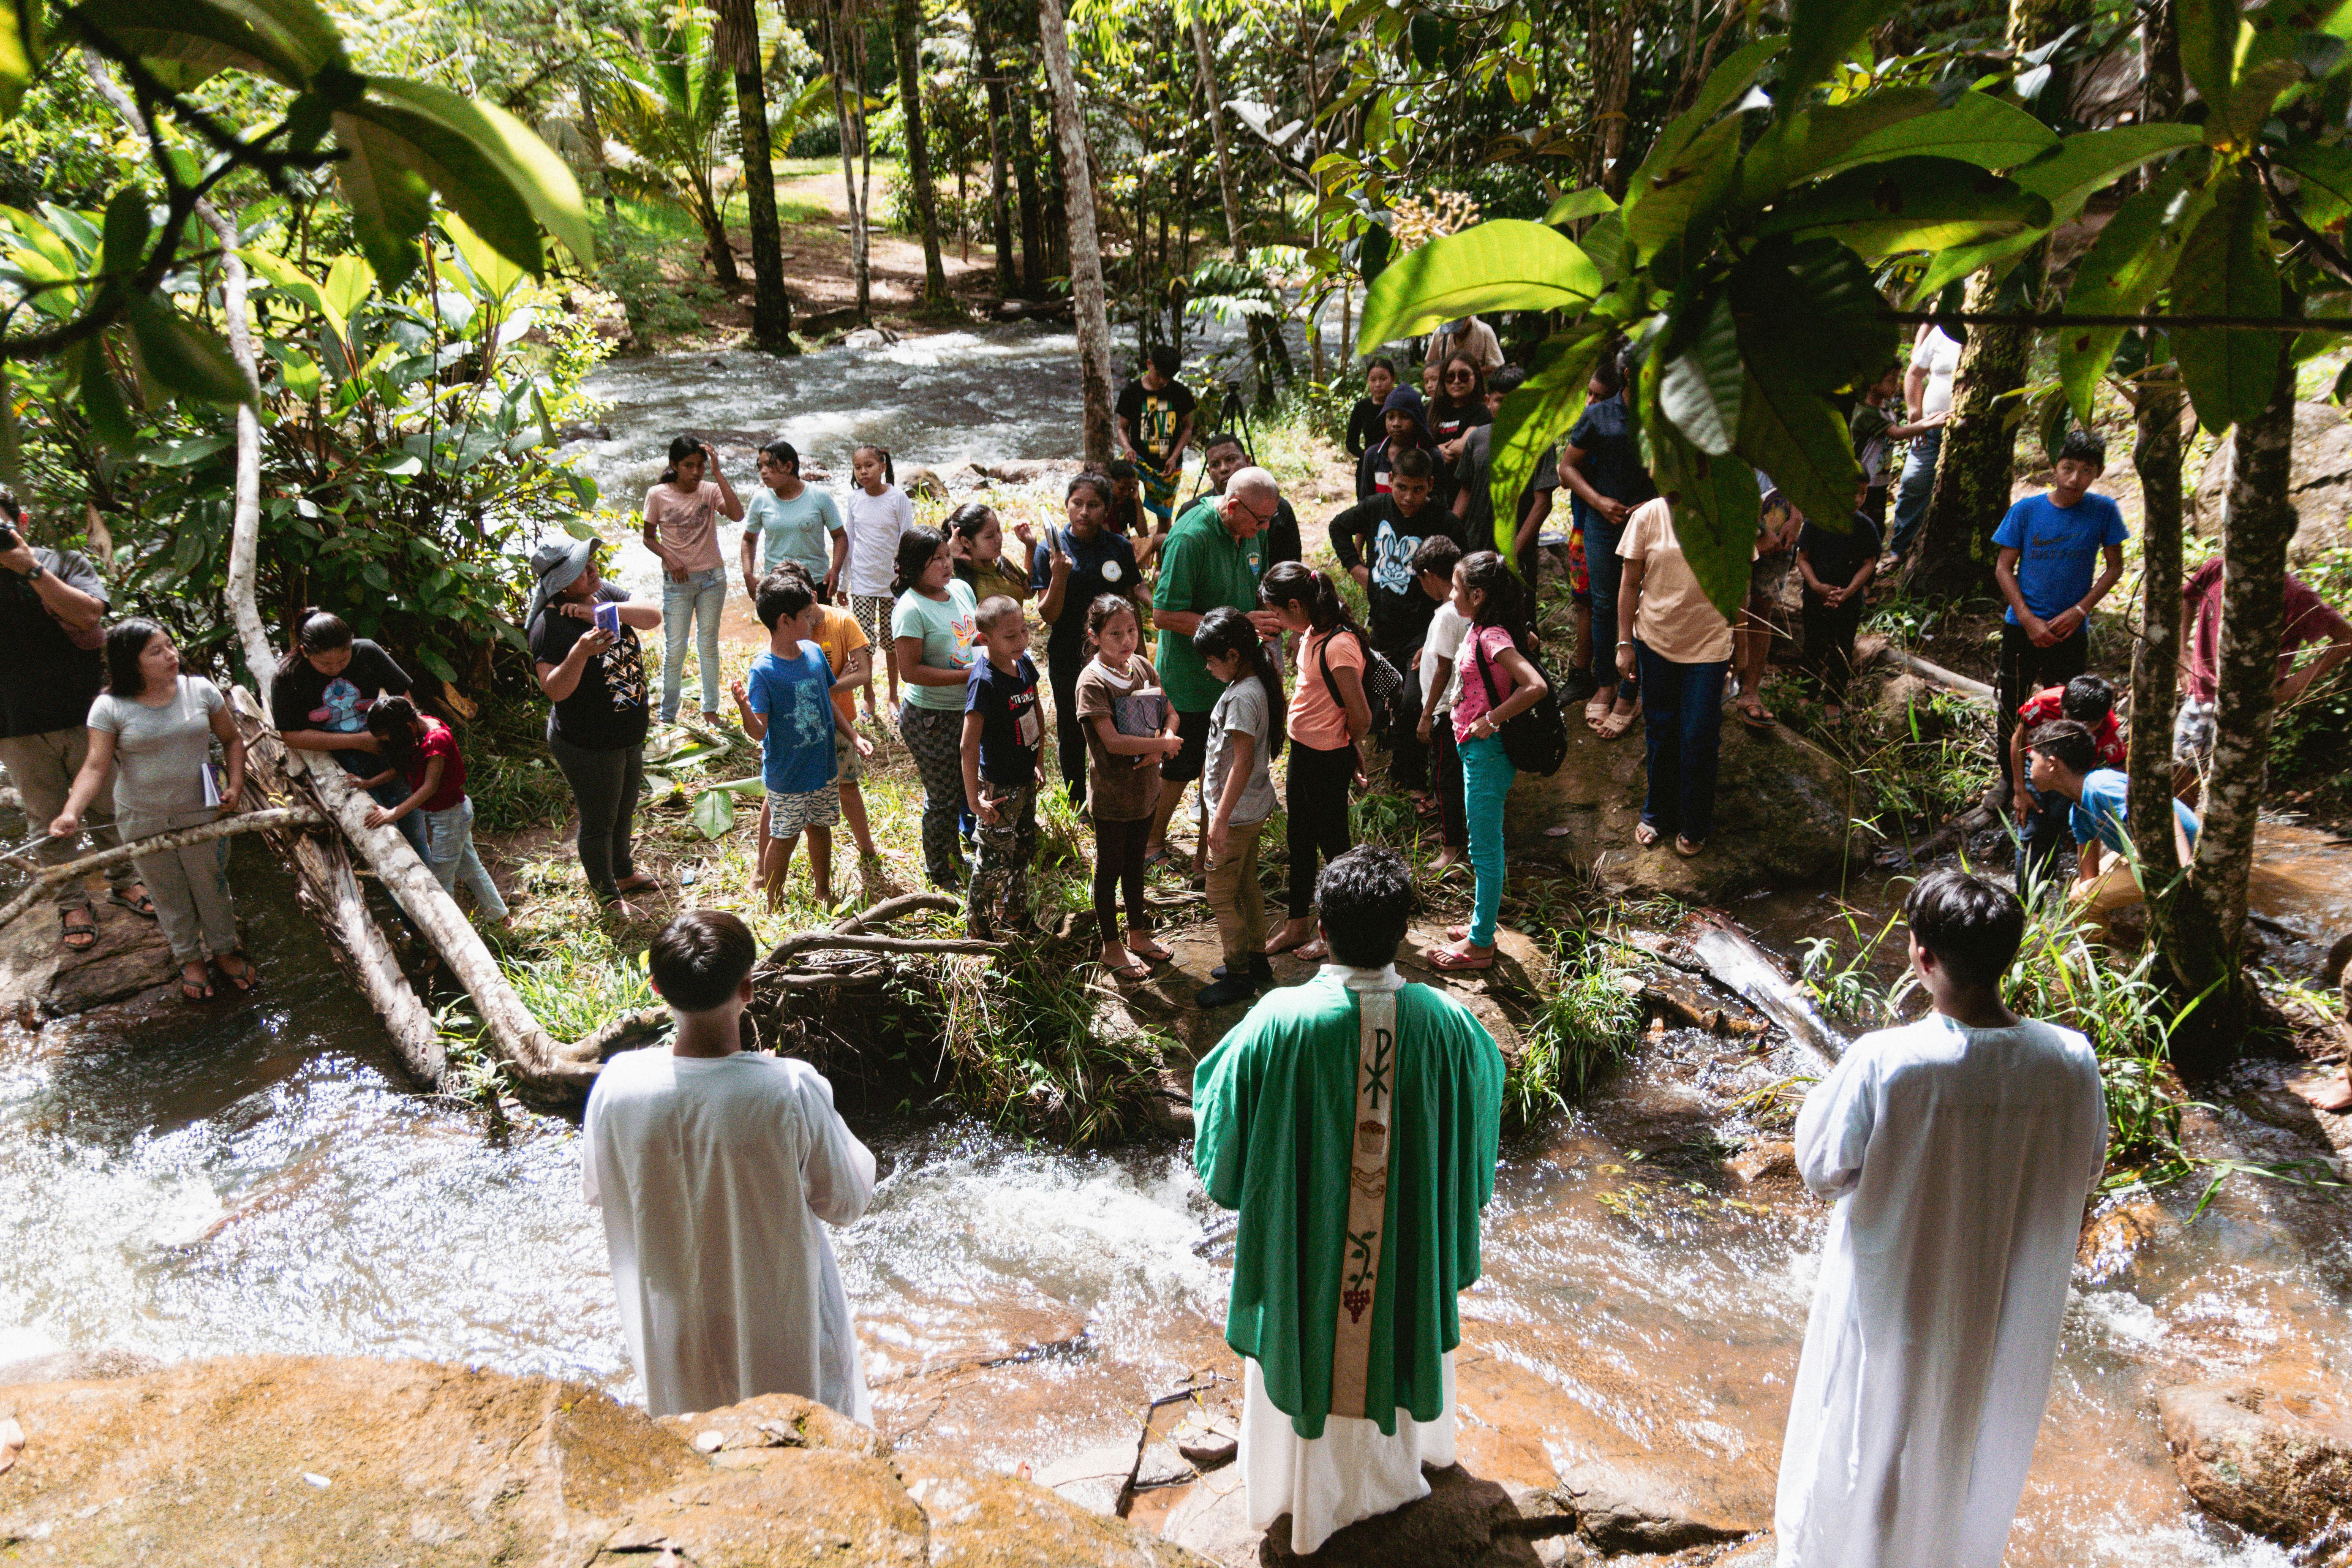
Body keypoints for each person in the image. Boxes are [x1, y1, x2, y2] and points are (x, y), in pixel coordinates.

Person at [1774, 868, 2106, 1568]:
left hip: (1891, 1290)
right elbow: (2085, 1168)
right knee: (1970, 1447)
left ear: (1920, 955)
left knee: (1866, 1443)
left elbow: (1821, 1167)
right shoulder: (2069, 1061)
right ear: (2009, 954)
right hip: (1999, 1304)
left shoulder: (1886, 1062)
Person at [1191, 845, 1504, 1557]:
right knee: (1388, 1309)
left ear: (1321, 931)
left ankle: (1294, 1493)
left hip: (1312, 1260)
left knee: (1313, 1318)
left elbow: (1217, 1109)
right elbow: (1487, 1088)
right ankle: (1400, 1470)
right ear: (1401, 932)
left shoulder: (1281, 1019)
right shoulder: (1444, 1022)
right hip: (1397, 1261)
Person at [583, 909, 877, 1424]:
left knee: (699, 1447)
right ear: (748, 988)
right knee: (807, 1449)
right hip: (783, 1329)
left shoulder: (616, 1085)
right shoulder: (787, 1088)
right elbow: (847, 1201)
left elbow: (602, 1190)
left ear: (655, 988)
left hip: (676, 1328)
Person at [50, 620, 255, 1004]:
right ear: (132, 663)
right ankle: (189, 960)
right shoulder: (109, 707)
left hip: (202, 810)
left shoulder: (201, 691)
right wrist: (70, 813)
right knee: (167, 893)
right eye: (156, 652)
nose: (171, 655)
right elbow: (95, 767)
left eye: (171, 646)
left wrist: (236, 786)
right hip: (142, 817)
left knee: (211, 885)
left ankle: (225, 951)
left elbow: (232, 740)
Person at [0, 497, 144, 949]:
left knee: (107, 803)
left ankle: (125, 878)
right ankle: (71, 902)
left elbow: (88, 615)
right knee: (45, 817)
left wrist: (28, 568)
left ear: (21, 522)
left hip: (85, 714)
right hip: (14, 721)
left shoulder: (61, 562)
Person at [1148, 466, 1286, 866]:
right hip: (1192, 676)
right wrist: (1240, 623)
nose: (1263, 530)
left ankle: (1207, 855)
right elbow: (1163, 614)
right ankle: (1152, 843)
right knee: (1181, 765)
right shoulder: (1191, 538)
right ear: (1231, 506)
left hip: (1234, 673)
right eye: (1258, 521)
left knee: (1221, 764)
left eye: (1269, 521)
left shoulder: (1249, 534)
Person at [1423, 551, 1548, 973]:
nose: (1451, 593)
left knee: (1485, 849)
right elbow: (1525, 647)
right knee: (1482, 846)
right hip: (1472, 746)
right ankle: (1482, 923)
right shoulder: (1482, 626)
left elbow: (1536, 686)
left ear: (1477, 594)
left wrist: (1492, 719)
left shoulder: (1493, 635)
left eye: (1457, 587)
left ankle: (1481, 945)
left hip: (1487, 753)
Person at [1991, 428, 2127, 803]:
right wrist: (2028, 618)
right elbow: (2004, 568)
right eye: (2067, 468)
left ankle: (2062, 780)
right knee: (2012, 703)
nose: (2074, 479)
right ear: (2053, 467)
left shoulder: (2104, 512)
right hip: (2023, 627)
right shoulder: (2026, 511)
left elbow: (2115, 567)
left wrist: (2080, 610)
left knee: (2069, 709)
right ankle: (2009, 779)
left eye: (2085, 470)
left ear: (2098, 473)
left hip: (2071, 629)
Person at [526, 538, 662, 911]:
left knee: (624, 807)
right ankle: (606, 896)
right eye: (581, 570)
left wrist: (601, 611)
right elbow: (554, 689)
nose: (593, 571)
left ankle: (622, 872)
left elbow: (652, 616)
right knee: (599, 820)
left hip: (627, 731)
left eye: (590, 564)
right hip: (588, 742)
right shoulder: (549, 625)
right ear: (561, 586)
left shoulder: (601, 593)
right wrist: (581, 652)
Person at [1331, 449, 1463, 803]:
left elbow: (1458, 582)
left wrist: (1436, 636)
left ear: (1431, 486)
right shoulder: (1376, 508)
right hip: (1383, 624)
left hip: (1424, 631)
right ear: (1391, 481)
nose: (1408, 498)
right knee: (1369, 693)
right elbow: (1338, 527)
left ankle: (1409, 777)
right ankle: (1365, 761)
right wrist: (1358, 570)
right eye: (1402, 487)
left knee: (1413, 701)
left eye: (1418, 490)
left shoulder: (1445, 523)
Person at [734, 572, 869, 909]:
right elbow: (760, 732)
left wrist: (853, 735)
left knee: (821, 828)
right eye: (807, 616)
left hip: (822, 767)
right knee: (785, 836)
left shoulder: (812, 652)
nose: (813, 621)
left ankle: (822, 890)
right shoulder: (763, 671)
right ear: (784, 621)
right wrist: (744, 709)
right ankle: (773, 900)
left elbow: (828, 702)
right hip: (789, 776)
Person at [1261, 564, 1373, 964]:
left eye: (1277, 612)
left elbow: (1361, 715)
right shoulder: (1311, 633)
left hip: (1326, 758)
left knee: (1335, 846)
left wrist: (1348, 747)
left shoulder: (1339, 646)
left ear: (1296, 605)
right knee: (1299, 838)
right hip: (1305, 752)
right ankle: (1297, 924)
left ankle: (1337, 931)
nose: (1276, 620)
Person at [2174, 554, 2352, 798]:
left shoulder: (2295, 594)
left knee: (2233, 800)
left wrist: (2290, 688)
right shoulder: (2219, 568)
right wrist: (2183, 653)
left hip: (2249, 712)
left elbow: (2346, 639)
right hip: (2200, 698)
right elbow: (2187, 596)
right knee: (2180, 789)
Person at [1618, 493, 1734, 856]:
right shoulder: (1649, 515)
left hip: (1711, 643)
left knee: (1700, 734)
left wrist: (1742, 647)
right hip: (1656, 639)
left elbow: (1740, 586)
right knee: (1661, 728)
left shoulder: (1731, 512)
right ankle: (1657, 813)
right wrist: (1624, 643)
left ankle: (1696, 821)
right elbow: (1628, 583)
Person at [768, 562, 890, 896]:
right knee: (780, 806)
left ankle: (867, 851)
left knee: (845, 788)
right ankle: (761, 877)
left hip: (838, 721)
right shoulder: (786, 638)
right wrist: (825, 685)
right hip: (796, 737)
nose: (806, 619)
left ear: (812, 596)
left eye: (806, 608)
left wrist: (821, 688)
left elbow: (862, 673)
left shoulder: (839, 622)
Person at [1075, 593, 1178, 981]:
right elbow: (1113, 743)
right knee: (1110, 867)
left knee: (1136, 863)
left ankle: (1138, 934)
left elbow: (1171, 711)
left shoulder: (1142, 667)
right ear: (1095, 636)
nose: (1126, 640)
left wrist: (1164, 741)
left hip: (1145, 789)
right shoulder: (1093, 682)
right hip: (1113, 795)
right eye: (1115, 633)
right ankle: (1111, 946)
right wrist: (1162, 747)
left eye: (1132, 630)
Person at [272, 610, 427, 855]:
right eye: (325, 663)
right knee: (385, 839)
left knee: (415, 832)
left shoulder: (367, 652)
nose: (335, 669)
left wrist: (406, 733)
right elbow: (290, 735)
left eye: (343, 661)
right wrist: (357, 741)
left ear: (351, 644)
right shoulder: (288, 675)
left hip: (388, 749)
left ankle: (430, 882)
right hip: (341, 760)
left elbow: (403, 696)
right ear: (304, 652)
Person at [2027, 719, 2200, 940]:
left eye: (2032, 760)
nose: (2030, 769)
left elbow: (2163, 811)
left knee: (2083, 898)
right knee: (2079, 890)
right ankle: (2094, 957)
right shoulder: (2078, 811)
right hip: (2143, 854)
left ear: (2052, 764)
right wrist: (2085, 890)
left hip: (2174, 854)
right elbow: (2088, 874)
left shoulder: (2102, 786)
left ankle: (2096, 962)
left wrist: (2186, 871)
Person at [1559, 352, 1656, 739]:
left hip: (1652, 524)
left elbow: (1684, 473)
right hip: (1604, 523)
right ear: (1630, 373)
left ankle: (1631, 693)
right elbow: (1567, 468)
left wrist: (1652, 506)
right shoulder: (1600, 416)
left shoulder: (1667, 420)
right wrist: (1599, 502)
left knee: (1644, 604)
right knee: (1604, 602)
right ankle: (1605, 682)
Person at [1192, 607, 1285, 1008]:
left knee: (1220, 894)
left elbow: (1243, 762)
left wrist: (1220, 820)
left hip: (1238, 814)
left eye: (1212, 660)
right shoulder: (1250, 683)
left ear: (1233, 656)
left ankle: (1239, 974)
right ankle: (1257, 958)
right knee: (1246, 885)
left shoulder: (1245, 696)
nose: (1208, 668)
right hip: (1250, 809)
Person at [1034, 472, 1143, 810]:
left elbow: (1132, 596)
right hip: (1068, 654)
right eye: (1077, 503)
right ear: (1066, 506)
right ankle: (1076, 801)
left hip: (1114, 654)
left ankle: (1115, 793)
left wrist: (1137, 648)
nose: (1084, 512)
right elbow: (1048, 614)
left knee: (1120, 722)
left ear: (1106, 509)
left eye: (1093, 505)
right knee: (1072, 727)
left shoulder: (1119, 547)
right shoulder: (1049, 551)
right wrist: (1059, 576)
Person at [359, 696, 509, 924]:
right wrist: (369, 783)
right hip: (446, 814)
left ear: (406, 727)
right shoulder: (419, 727)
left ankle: (449, 931)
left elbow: (430, 787)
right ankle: (499, 916)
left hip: (451, 816)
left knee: (441, 879)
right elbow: (404, 766)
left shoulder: (437, 740)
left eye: (389, 737)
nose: (388, 742)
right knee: (470, 867)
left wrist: (393, 814)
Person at [891, 526, 980, 891]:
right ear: (914, 568)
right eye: (936, 560)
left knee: (963, 788)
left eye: (947, 555)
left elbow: (974, 636)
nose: (947, 564)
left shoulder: (960, 590)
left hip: (967, 710)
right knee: (942, 797)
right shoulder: (911, 609)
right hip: (931, 717)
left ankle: (955, 858)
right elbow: (910, 671)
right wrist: (966, 676)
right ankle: (939, 872)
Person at [642, 435, 743, 727]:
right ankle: (668, 716)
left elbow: (737, 515)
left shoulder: (710, 491)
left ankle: (711, 711)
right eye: (690, 466)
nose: (697, 472)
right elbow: (648, 538)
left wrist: (719, 472)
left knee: (708, 644)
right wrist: (669, 557)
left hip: (713, 578)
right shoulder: (658, 494)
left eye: (701, 466)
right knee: (676, 649)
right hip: (678, 583)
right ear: (674, 465)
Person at [961, 595, 1043, 939]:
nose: (1021, 641)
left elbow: (1036, 711)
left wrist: (1039, 760)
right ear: (985, 639)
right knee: (993, 858)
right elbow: (968, 745)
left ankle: (1014, 914)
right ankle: (977, 929)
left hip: (1025, 778)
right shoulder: (985, 681)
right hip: (999, 786)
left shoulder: (1023, 665)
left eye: (1024, 631)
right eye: (1010, 637)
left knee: (1023, 849)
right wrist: (974, 800)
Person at [1451, 365, 1559, 599]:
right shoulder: (1477, 439)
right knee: (1473, 613)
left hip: (1517, 555)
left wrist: (1510, 555)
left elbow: (1543, 503)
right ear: (1489, 401)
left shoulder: (1539, 442)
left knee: (1517, 619)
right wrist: (1449, 531)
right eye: (1501, 401)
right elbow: (1466, 492)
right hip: (1475, 548)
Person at [2008, 674, 2123, 892]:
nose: (2078, 732)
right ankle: (2027, 905)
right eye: (2073, 723)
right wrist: (2020, 790)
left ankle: (2049, 890)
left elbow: (2120, 766)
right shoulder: (2043, 704)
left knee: (2056, 828)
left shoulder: (2108, 726)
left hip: (2074, 775)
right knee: (2031, 834)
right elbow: (2018, 740)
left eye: (2089, 727)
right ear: (2062, 708)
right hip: (2039, 766)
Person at [1795, 485, 1882, 724]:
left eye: (1863, 493)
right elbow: (1802, 558)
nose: (1857, 498)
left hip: (1849, 599)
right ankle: (1806, 695)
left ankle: (1834, 700)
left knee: (1842, 648)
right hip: (1816, 596)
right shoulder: (1817, 521)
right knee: (1813, 643)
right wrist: (1816, 586)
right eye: (1851, 491)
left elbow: (1869, 562)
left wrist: (1849, 592)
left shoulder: (1866, 526)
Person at [1410, 536, 1470, 877]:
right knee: (1451, 776)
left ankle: (1452, 850)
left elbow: (1445, 668)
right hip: (1461, 706)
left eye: (1421, 579)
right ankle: (1452, 832)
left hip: (1446, 709)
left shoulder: (1448, 614)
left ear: (1430, 574)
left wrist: (1426, 713)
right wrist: (1426, 649)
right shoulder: (1465, 608)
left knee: (1446, 778)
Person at [844, 443, 913, 720]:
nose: (863, 472)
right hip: (862, 583)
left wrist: (906, 581)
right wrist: (842, 582)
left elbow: (907, 540)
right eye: (858, 467)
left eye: (869, 466)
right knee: (863, 644)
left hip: (892, 585)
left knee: (892, 642)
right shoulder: (854, 500)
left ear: (883, 467)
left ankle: (894, 697)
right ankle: (869, 696)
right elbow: (849, 542)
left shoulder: (898, 499)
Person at [1884, 322, 1963, 564]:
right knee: (1914, 482)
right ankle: (1900, 550)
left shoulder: (1992, 336)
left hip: (1966, 432)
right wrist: (1915, 413)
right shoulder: (1944, 332)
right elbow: (1914, 373)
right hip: (1929, 430)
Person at [1174, 432, 1302, 577]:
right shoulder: (1191, 513)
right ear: (1209, 472)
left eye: (1231, 459)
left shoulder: (1278, 509)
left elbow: (1291, 571)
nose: (1224, 469)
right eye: (1215, 464)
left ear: (1248, 461)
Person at [1731, 478, 1802, 731]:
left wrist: (1797, 516)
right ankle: (1716, 684)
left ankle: (1750, 691)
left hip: (1779, 530)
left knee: (1762, 610)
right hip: (1733, 525)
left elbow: (1799, 471)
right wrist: (1758, 530)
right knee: (1724, 605)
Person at [739, 438, 845, 603]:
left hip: (816, 582)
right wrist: (748, 574)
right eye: (760, 467)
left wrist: (835, 570)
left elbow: (840, 536)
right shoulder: (761, 499)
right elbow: (749, 539)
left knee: (819, 629)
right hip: (776, 585)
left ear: (789, 466)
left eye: (769, 465)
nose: (763, 472)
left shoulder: (819, 497)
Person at [1848, 362, 1944, 531]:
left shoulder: (1884, 407)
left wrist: (1929, 419)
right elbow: (1897, 433)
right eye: (1892, 381)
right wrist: (1930, 424)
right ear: (1873, 383)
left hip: (1879, 479)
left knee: (1876, 524)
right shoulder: (1867, 413)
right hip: (1863, 481)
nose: (1896, 386)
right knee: (1863, 526)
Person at [1115, 346, 1198, 529]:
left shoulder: (1180, 393)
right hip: (1139, 461)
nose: (1163, 381)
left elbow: (1188, 427)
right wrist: (1127, 449)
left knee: (1164, 518)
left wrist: (1174, 457)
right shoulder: (1131, 393)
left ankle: (1163, 556)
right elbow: (1122, 428)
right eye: (1159, 375)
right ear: (1149, 364)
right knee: (1126, 505)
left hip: (1168, 465)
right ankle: (1134, 544)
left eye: (1168, 377)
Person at [1355, 386, 1445, 506]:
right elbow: (1365, 502)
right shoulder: (1373, 455)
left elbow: (1438, 504)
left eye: (1404, 417)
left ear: (1417, 420)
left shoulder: (1432, 456)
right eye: (1391, 417)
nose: (1396, 424)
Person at [946, 501, 1031, 605]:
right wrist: (947, 554)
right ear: (966, 542)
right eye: (990, 536)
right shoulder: (953, 577)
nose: (999, 538)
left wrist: (1031, 546)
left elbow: (1029, 592)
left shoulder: (1005, 559)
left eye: (998, 530)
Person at [1425, 357, 1491, 468]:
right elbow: (1416, 443)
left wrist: (1433, 452)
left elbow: (1466, 445)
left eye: (1463, 375)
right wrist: (1436, 451)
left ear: (1476, 377)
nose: (1456, 381)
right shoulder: (1431, 408)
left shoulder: (1481, 410)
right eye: (1450, 377)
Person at [1345, 359, 1398, 460]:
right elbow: (1351, 442)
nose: (1378, 384)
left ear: (1393, 379)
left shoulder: (1401, 405)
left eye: (1383, 379)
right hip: (1369, 466)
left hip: (1397, 466)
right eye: (1373, 380)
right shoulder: (1362, 407)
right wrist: (1366, 456)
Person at [1425, 315, 1505, 375]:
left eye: (1457, 328)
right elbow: (1430, 363)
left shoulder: (1484, 332)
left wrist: (1468, 374)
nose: (1454, 333)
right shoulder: (1441, 333)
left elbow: (1497, 367)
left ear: (1468, 318)